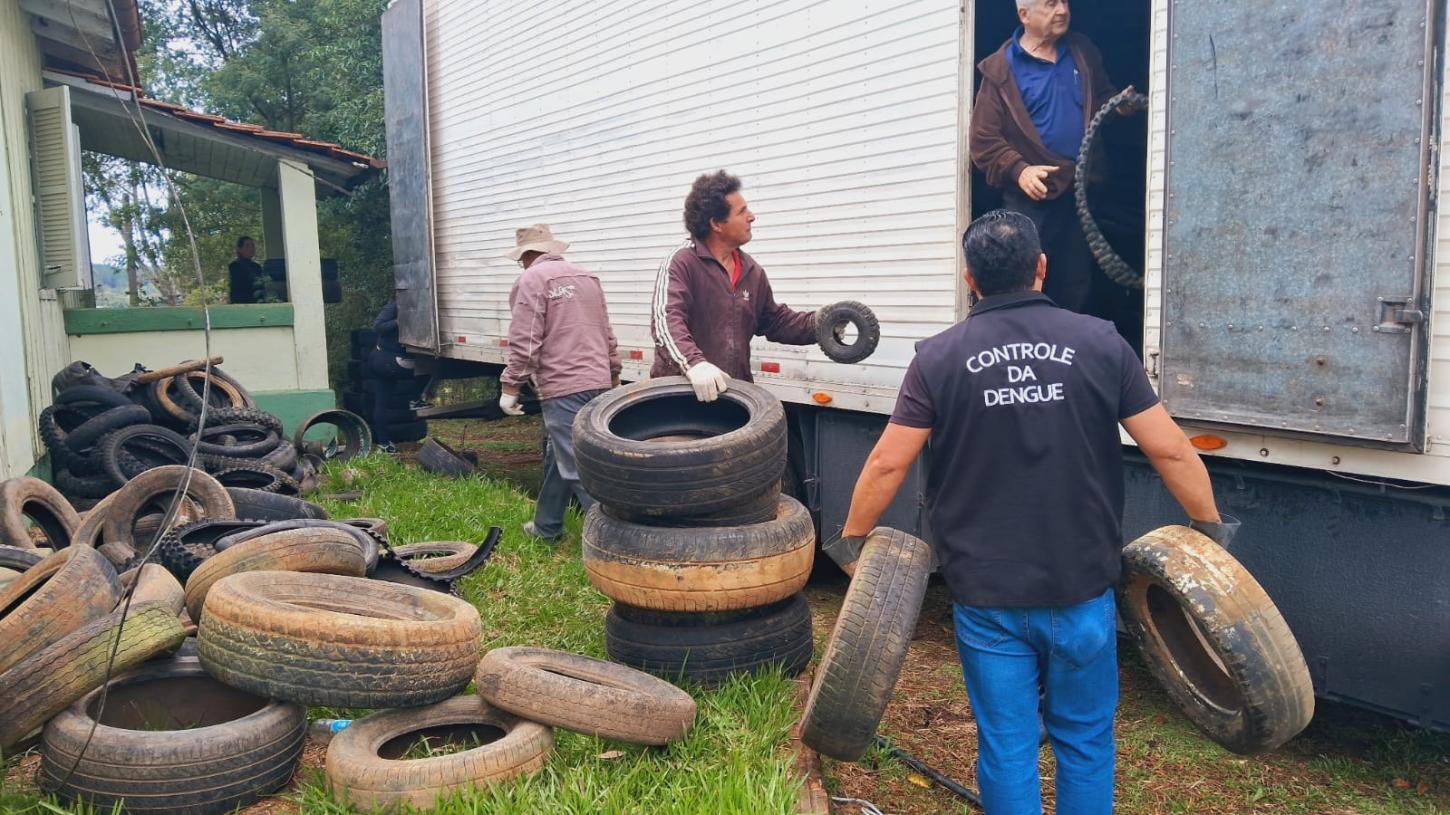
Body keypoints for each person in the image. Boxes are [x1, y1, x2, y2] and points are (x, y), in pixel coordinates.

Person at [826, 211, 1237, 814]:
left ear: (971, 278)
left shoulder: (938, 358)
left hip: (987, 598)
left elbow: (889, 463)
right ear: (1041, 267)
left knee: (1007, 745)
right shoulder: (1100, 341)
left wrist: (851, 541)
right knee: (1087, 741)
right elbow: (1170, 447)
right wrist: (1208, 532)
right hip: (1081, 592)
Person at [969, 0, 1128, 314]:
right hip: (1031, 199)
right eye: (1051, 3)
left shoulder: (1082, 51)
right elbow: (982, 142)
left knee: (1075, 282)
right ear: (1024, 15)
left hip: (1078, 192)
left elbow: (1099, 101)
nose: (1062, 10)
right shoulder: (1001, 69)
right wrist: (1020, 170)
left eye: (1065, 2)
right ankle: (1025, 348)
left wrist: (1118, 105)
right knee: (1022, 282)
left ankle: (1064, 351)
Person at [650, 170, 819, 402]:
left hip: (733, 398)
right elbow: (666, 322)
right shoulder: (682, 262)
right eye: (742, 212)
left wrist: (820, 324)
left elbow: (775, 321)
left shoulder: (751, 271)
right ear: (717, 224)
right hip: (681, 400)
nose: (752, 217)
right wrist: (693, 365)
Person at [499, 224, 621, 542]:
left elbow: (526, 341)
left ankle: (618, 543)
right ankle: (547, 526)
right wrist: (614, 374)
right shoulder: (587, 277)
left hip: (563, 386)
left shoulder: (530, 280)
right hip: (598, 382)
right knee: (562, 455)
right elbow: (606, 332)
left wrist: (510, 386)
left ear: (526, 256)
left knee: (579, 468)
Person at [368, 298, 420, 455]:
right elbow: (377, 326)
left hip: (381, 360)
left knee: (381, 403)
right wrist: (399, 321)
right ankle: (415, 399)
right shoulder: (394, 306)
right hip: (388, 360)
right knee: (430, 367)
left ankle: (384, 444)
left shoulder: (413, 307)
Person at [228, 236, 264, 304]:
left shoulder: (256, 267)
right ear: (240, 249)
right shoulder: (234, 266)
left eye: (252, 245)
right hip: (241, 303)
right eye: (247, 246)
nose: (251, 248)